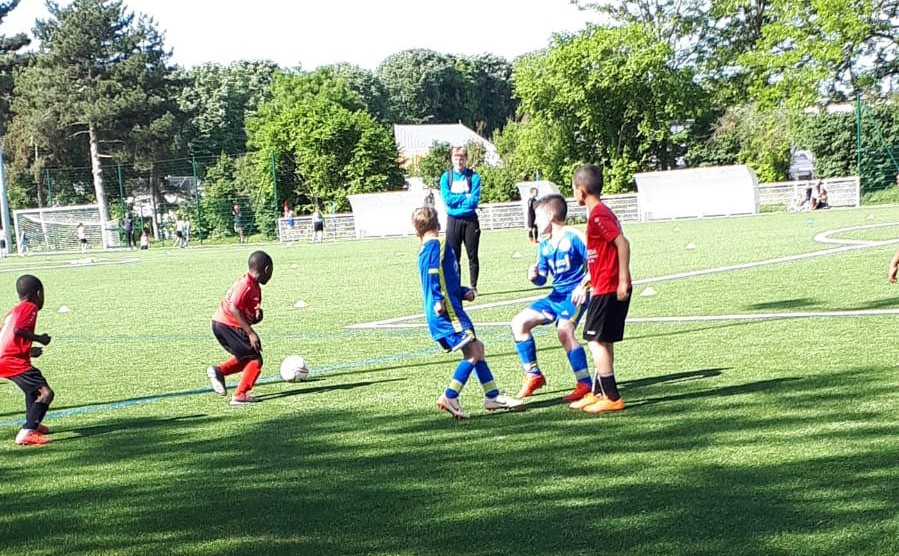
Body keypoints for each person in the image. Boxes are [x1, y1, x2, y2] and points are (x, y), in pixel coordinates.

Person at [412, 206, 522, 418]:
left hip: (450, 308)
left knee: (478, 348)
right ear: (439, 224)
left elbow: (445, 278)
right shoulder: (436, 244)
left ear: (416, 231)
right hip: (448, 313)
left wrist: (463, 292)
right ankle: (450, 396)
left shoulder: (427, 247)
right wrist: (438, 300)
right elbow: (433, 275)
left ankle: (492, 396)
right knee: (472, 353)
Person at [511, 194, 593, 402]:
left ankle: (585, 384)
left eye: (538, 217)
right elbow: (542, 279)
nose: (535, 223)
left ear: (550, 216)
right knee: (519, 323)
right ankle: (533, 375)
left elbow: (596, 263)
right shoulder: (544, 245)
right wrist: (534, 276)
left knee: (564, 331)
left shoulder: (574, 236)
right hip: (555, 296)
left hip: (574, 295)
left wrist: (583, 286)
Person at [568, 164, 632, 414]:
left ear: (581, 191)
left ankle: (612, 397)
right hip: (602, 284)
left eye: (574, 189)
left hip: (608, 287)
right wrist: (587, 281)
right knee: (603, 340)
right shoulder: (598, 213)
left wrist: (623, 280)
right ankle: (598, 392)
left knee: (595, 341)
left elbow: (622, 244)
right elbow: (602, 255)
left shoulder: (598, 215)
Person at [206, 250, 274, 405]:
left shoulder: (254, 286)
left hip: (224, 324)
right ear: (267, 270)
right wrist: (250, 332)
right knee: (255, 359)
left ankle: (219, 371)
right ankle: (240, 394)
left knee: (248, 357)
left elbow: (245, 314)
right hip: (226, 324)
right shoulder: (246, 284)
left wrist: (256, 318)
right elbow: (233, 308)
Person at [0, 275, 54, 445]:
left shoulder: (13, 311)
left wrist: (28, 351)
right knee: (46, 393)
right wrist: (40, 339)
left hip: (5, 358)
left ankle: (33, 423)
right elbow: (18, 330)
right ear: (38, 293)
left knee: (32, 391)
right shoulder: (30, 307)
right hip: (11, 361)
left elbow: (6, 337)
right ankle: (27, 432)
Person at [439, 146, 482, 294]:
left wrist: (459, 200)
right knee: (453, 256)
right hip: (453, 220)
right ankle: (455, 287)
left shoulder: (473, 177)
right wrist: (464, 196)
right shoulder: (446, 177)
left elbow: (474, 201)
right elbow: (448, 200)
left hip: (470, 220)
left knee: (472, 255)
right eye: (456, 158)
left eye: (462, 159)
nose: (459, 161)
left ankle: (473, 286)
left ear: (466, 159)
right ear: (452, 159)